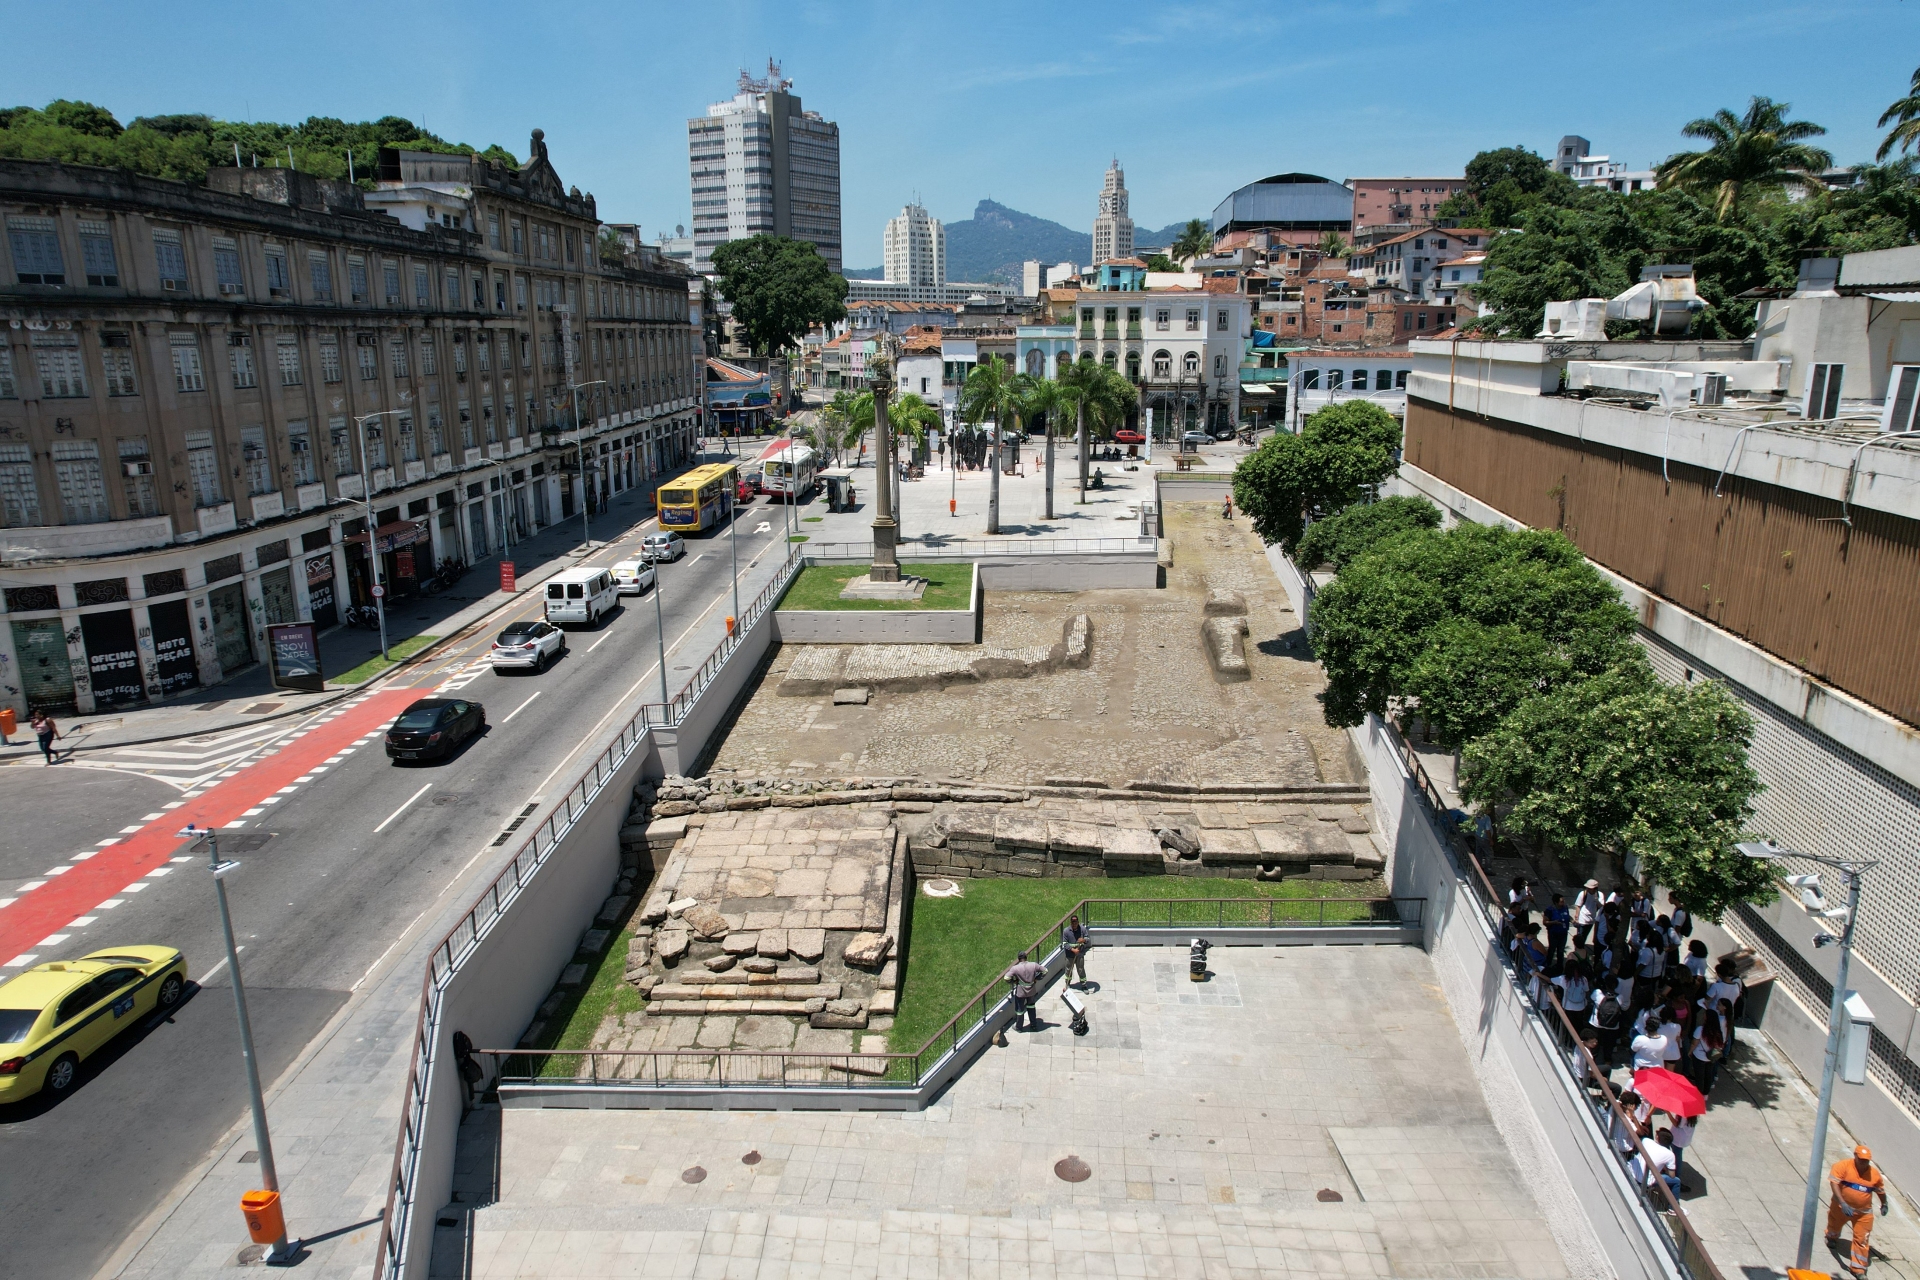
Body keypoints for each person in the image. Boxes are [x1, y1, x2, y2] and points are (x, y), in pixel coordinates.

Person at [1828, 1145, 1890, 1277]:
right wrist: (1842, 1203)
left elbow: (1880, 1191)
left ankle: (1858, 1269)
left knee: (1862, 1240)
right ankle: (1831, 1237)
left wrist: (1884, 1204)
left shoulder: (1874, 1174)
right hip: (1841, 1208)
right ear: (1855, 1156)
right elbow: (1834, 1184)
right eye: (1861, 1159)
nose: (1863, 1162)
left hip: (1863, 1213)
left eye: (1866, 1160)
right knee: (1834, 1224)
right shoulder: (1843, 1166)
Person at [1634, 1127, 1682, 1202]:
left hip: (1632, 1171)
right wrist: (1665, 1167)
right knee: (1677, 1181)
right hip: (1646, 1180)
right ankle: (1672, 1209)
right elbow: (1672, 1175)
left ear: (1657, 1137)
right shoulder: (1670, 1155)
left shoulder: (1646, 1141)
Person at [1003, 950, 1044, 1032]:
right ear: (1026, 957)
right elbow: (1045, 971)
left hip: (1020, 992)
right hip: (1031, 991)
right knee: (1031, 1007)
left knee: (1020, 1010)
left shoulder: (1015, 968)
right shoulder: (1033, 965)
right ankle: (1033, 1025)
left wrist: (1014, 982)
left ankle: (1019, 1027)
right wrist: (1037, 979)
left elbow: (1006, 978)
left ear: (1018, 959)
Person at [1668, 1112, 1698, 1190]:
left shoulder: (1684, 1115)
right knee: (1677, 1157)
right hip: (1682, 1139)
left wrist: (1667, 1112)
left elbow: (1677, 1124)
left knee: (1677, 1160)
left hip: (1677, 1139)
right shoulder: (1693, 1114)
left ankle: (1676, 1180)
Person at [1061, 914, 1092, 988]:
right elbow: (1064, 943)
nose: (1074, 924)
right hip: (1070, 954)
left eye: (1075, 922)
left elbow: (1087, 939)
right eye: (1072, 923)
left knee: (1080, 969)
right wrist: (1073, 950)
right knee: (1068, 969)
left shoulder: (1082, 929)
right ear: (1070, 923)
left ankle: (1084, 984)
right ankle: (1067, 983)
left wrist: (1083, 940)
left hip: (1080, 953)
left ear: (1078, 922)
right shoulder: (1066, 931)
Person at [1572, 880, 1604, 948]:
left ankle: (1581, 948)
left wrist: (1596, 900)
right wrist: (1577, 918)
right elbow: (1578, 905)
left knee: (1585, 936)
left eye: (1590, 888)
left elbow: (1601, 907)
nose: (1588, 889)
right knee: (1580, 936)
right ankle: (1578, 949)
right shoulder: (1583, 893)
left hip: (1591, 919)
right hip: (1582, 919)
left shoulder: (1600, 895)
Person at [1545, 893, 1572, 963]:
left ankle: (1559, 965)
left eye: (1563, 901)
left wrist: (1573, 921)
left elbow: (1568, 916)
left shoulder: (1565, 907)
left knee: (1561, 950)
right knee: (1552, 949)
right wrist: (1554, 922)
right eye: (1561, 901)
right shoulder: (1549, 910)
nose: (1563, 903)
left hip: (1563, 933)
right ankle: (1548, 963)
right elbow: (1545, 922)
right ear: (1556, 903)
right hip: (1554, 934)